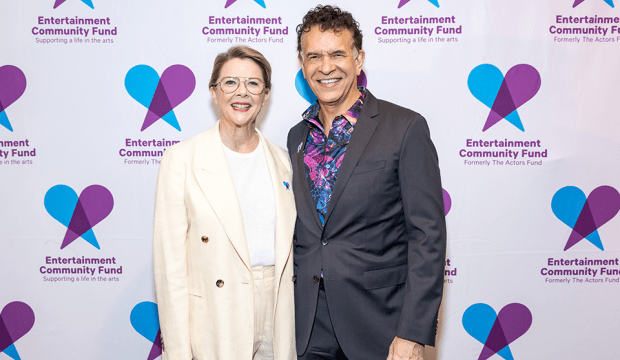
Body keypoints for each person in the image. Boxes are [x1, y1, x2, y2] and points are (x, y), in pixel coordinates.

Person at [287, 6, 447, 360]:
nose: (326, 67)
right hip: (308, 327)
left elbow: (428, 236)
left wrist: (412, 332)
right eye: (314, 56)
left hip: (380, 327)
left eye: (337, 54)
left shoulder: (404, 128)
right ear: (302, 63)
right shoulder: (297, 137)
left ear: (359, 60)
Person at [153, 45, 296, 360]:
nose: (241, 92)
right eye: (230, 82)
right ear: (214, 93)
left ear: (266, 94)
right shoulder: (182, 160)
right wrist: (177, 351)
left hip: (276, 308)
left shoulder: (283, 161)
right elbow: (171, 268)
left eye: (253, 84)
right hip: (217, 312)